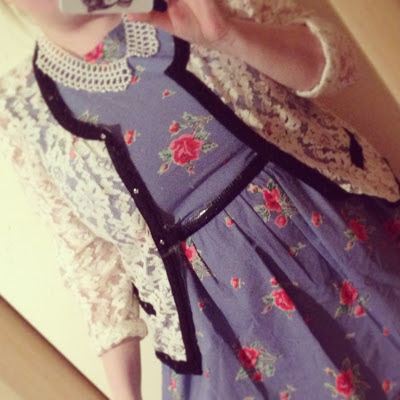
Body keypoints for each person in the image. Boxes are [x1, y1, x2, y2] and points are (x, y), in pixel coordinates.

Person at [1, 0, 399, 399]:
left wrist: (228, 34)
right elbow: (88, 260)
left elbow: (339, 68)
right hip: (218, 336)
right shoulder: (18, 109)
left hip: (339, 251)